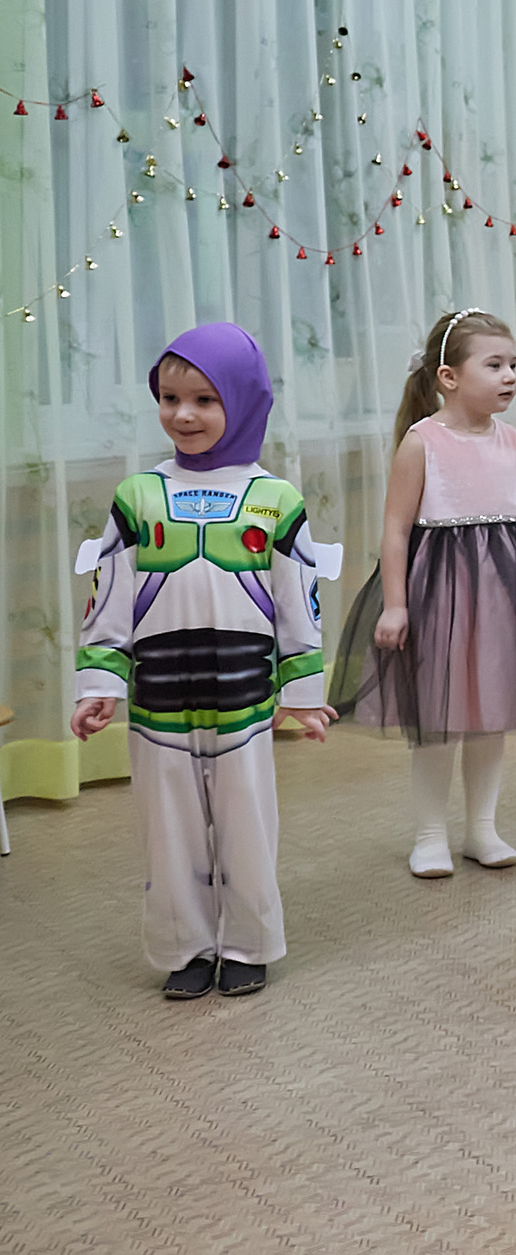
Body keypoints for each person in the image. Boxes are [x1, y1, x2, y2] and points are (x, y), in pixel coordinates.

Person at [69, 325, 340, 998]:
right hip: (158, 698)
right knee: (168, 832)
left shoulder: (275, 498)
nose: (182, 414)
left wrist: (302, 692)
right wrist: (99, 683)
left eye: (203, 399)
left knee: (247, 824)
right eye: (168, 397)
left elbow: (297, 602)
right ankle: (185, 946)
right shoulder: (137, 497)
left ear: (244, 402)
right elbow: (107, 597)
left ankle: (249, 944)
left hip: (243, 699)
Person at [330, 309, 516, 877]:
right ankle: (430, 834)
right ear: (449, 377)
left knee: (491, 710)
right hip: (439, 592)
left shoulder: (515, 442)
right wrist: (397, 602)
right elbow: (396, 528)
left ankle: (483, 828)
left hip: (505, 590)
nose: (509, 376)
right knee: (439, 711)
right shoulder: (421, 442)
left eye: (514, 366)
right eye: (495, 365)